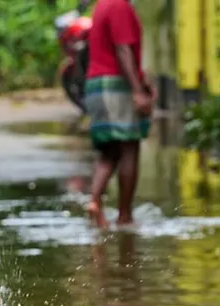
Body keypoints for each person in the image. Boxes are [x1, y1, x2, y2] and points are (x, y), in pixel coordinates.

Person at [84, 0, 154, 229]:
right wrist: (137, 90)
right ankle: (125, 216)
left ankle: (94, 201)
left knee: (109, 152)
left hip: (97, 84)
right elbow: (123, 50)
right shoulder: (119, 6)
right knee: (129, 147)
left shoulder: (102, 4)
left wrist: (142, 84)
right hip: (115, 84)